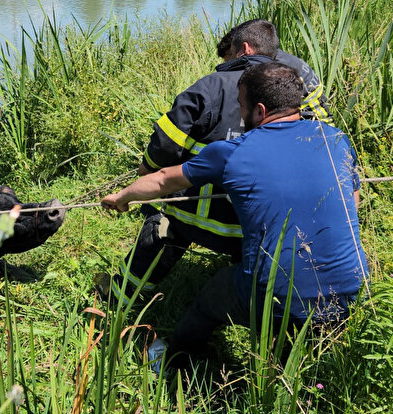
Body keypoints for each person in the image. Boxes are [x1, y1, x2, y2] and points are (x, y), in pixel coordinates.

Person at [102, 62, 368, 367]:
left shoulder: (231, 152)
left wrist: (121, 198)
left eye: (240, 105)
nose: (239, 113)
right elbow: (353, 204)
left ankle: (176, 364)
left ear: (259, 110)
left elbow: (163, 179)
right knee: (299, 339)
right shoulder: (335, 138)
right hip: (352, 287)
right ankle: (297, 366)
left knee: (210, 298)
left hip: (274, 293)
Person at [96, 19, 327, 304]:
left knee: (162, 218)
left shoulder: (212, 86)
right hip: (266, 223)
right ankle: (259, 296)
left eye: (229, 54)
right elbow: (322, 139)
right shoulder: (295, 79)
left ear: (242, 48)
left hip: (197, 217)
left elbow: (166, 145)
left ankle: (121, 295)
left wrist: (144, 170)